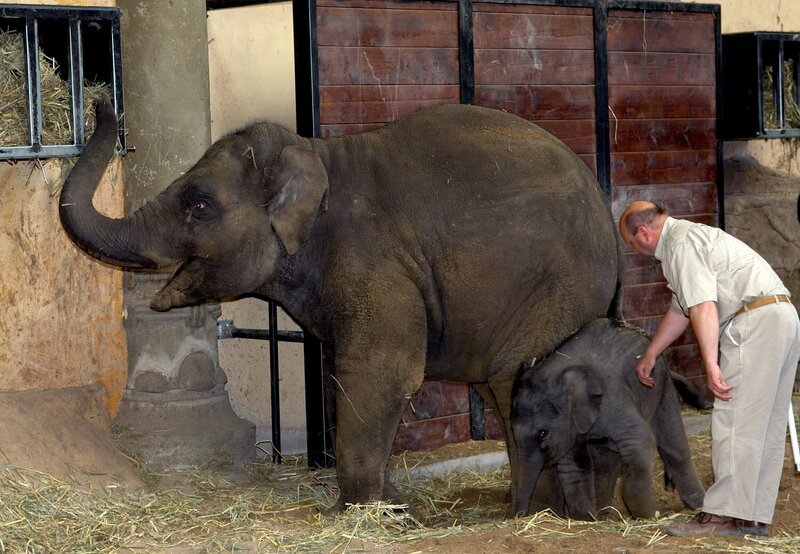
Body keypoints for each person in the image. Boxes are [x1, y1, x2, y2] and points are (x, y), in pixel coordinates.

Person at [618, 200, 800, 537]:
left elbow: (702, 305)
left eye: (631, 244)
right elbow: (681, 309)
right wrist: (651, 355)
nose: (634, 250)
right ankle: (752, 515)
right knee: (765, 425)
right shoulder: (691, 237)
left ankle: (722, 514)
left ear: (644, 233)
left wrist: (711, 364)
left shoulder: (680, 244)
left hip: (754, 322)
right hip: (782, 315)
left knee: (734, 419)